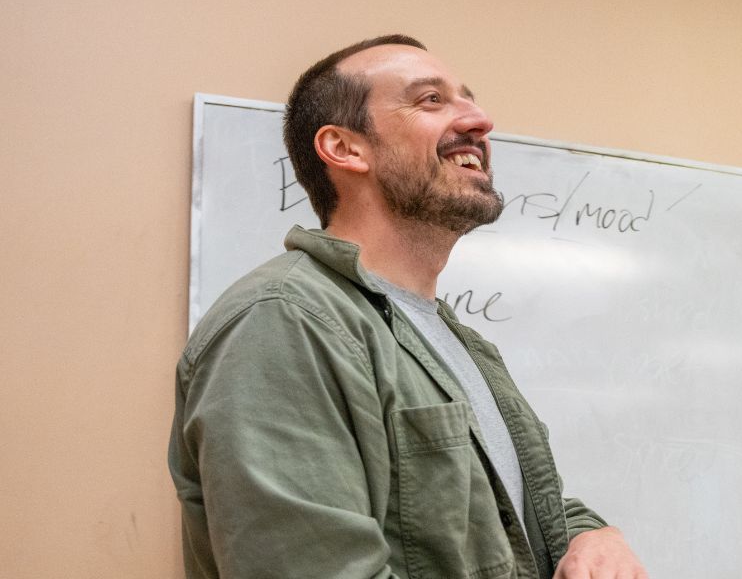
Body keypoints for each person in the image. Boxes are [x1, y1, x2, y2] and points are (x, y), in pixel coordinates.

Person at [167, 35, 647, 579]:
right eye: (430, 100)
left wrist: (595, 536)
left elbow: (517, 518)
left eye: (469, 98)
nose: (480, 120)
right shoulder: (283, 321)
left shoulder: (452, 339)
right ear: (346, 149)